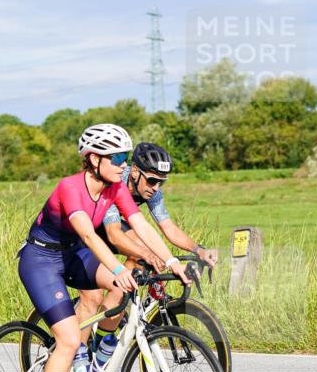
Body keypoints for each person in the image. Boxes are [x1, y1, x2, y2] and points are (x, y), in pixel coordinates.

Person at [17, 124, 191, 372]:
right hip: (41, 260)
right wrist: (115, 266)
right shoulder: (69, 187)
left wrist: (171, 261)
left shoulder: (115, 188)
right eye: (119, 157)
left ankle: (91, 362)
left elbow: (142, 226)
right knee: (68, 339)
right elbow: (87, 233)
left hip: (74, 255)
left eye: (125, 157)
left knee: (118, 289)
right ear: (94, 159)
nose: (124, 164)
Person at [76, 142, 219, 350]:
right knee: (93, 297)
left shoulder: (151, 190)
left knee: (129, 277)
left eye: (161, 182)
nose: (156, 188)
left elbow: (168, 228)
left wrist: (199, 250)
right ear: (134, 171)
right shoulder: (113, 183)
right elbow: (115, 235)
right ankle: (75, 364)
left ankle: (102, 341)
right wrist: (149, 254)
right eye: (152, 181)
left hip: (107, 233)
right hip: (85, 236)